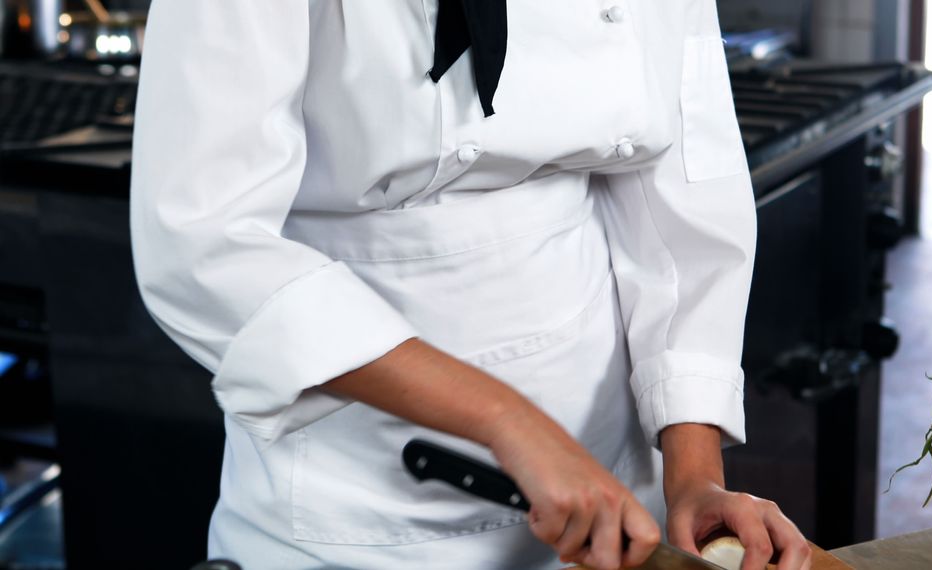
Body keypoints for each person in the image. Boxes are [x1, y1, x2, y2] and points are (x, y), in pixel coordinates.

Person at [130, 1, 811, 569]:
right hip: (358, 516)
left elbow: (680, 198)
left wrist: (692, 478)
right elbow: (203, 243)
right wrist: (509, 422)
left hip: (610, 494)